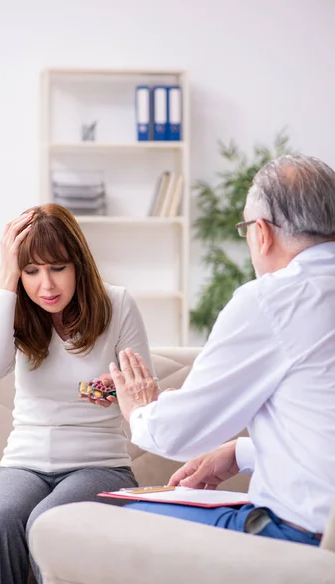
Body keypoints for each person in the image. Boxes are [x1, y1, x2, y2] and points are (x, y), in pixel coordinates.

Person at [107, 154, 335, 547]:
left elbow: (179, 434)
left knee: (121, 521)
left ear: (261, 232)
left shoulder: (273, 300)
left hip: (303, 539)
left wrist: (138, 409)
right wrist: (241, 453)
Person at [0, 203, 153, 584]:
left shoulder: (117, 304)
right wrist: (6, 277)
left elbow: (143, 395)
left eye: (57, 268)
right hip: (24, 463)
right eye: (31, 271)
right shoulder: (16, 306)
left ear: (78, 264)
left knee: (48, 520)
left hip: (99, 466)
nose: (46, 286)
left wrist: (113, 390)